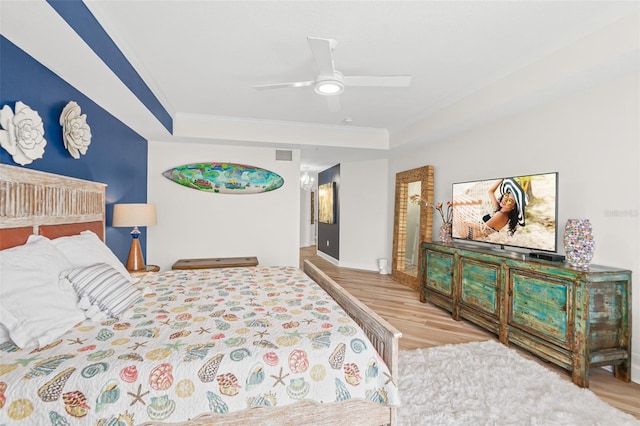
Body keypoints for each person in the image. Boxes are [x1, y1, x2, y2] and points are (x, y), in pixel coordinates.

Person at [458, 178, 528, 240]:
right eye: (506, 195)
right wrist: (501, 179)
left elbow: (484, 229)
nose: (505, 200)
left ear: (513, 207)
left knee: (457, 209)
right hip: (469, 230)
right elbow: (490, 192)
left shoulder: (501, 215)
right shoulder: (501, 210)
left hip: (468, 232)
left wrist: (469, 223)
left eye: (510, 201)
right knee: (457, 208)